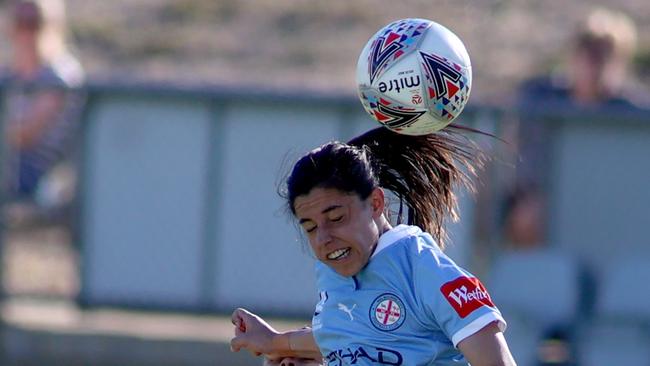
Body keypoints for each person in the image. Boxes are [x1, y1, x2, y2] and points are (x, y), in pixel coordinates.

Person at [230, 126, 516, 365]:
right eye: (311, 228)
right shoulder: (335, 274)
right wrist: (276, 344)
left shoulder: (423, 270)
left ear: (376, 204)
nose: (323, 238)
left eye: (337, 218)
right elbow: (347, 335)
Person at [1, 0, 84, 211]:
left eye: (34, 22)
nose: (26, 33)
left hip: (41, 175)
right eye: (20, 23)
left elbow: (24, 135)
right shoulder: (10, 74)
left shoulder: (61, 73)